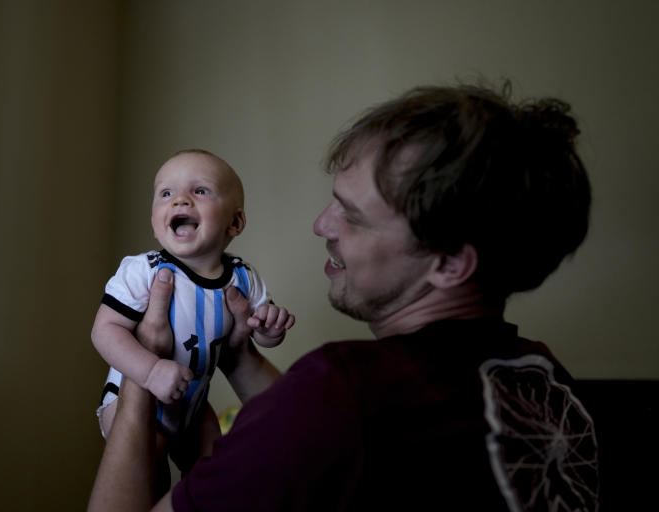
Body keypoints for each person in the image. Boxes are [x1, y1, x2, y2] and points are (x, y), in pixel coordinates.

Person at [87, 83, 599, 511]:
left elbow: (321, 422)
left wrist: (146, 364)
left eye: (351, 214)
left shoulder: (340, 393)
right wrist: (242, 356)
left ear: (449, 262)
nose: (321, 226)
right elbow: (318, 438)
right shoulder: (546, 378)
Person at [91, 149, 295, 481]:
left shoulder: (242, 277)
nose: (180, 201)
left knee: (217, 469)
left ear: (235, 222)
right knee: (149, 471)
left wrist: (270, 329)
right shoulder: (145, 270)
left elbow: (258, 333)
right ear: (154, 220)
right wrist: (151, 370)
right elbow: (104, 331)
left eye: (199, 191)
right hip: (134, 399)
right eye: (166, 193)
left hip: (193, 406)